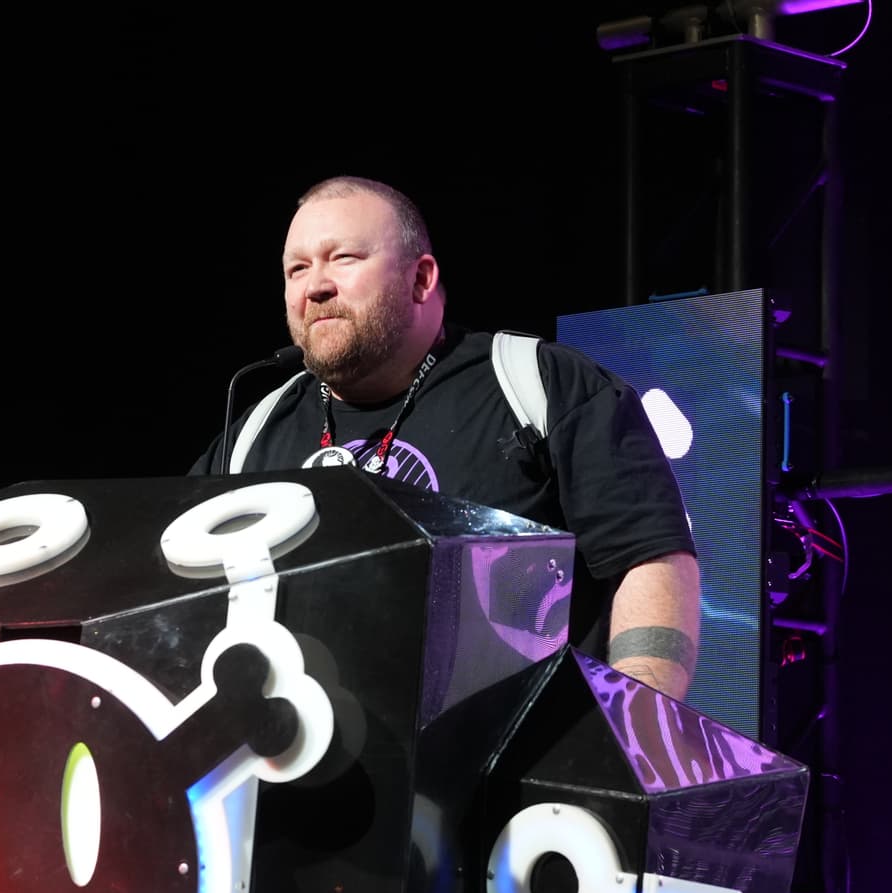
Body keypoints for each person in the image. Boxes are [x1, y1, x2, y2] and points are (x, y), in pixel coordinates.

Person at [194, 176, 701, 699]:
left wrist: (642, 731)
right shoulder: (255, 431)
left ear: (421, 279)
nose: (315, 286)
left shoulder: (539, 384)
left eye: (343, 258)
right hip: (298, 757)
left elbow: (651, 558)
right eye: (297, 268)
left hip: (503, 766)